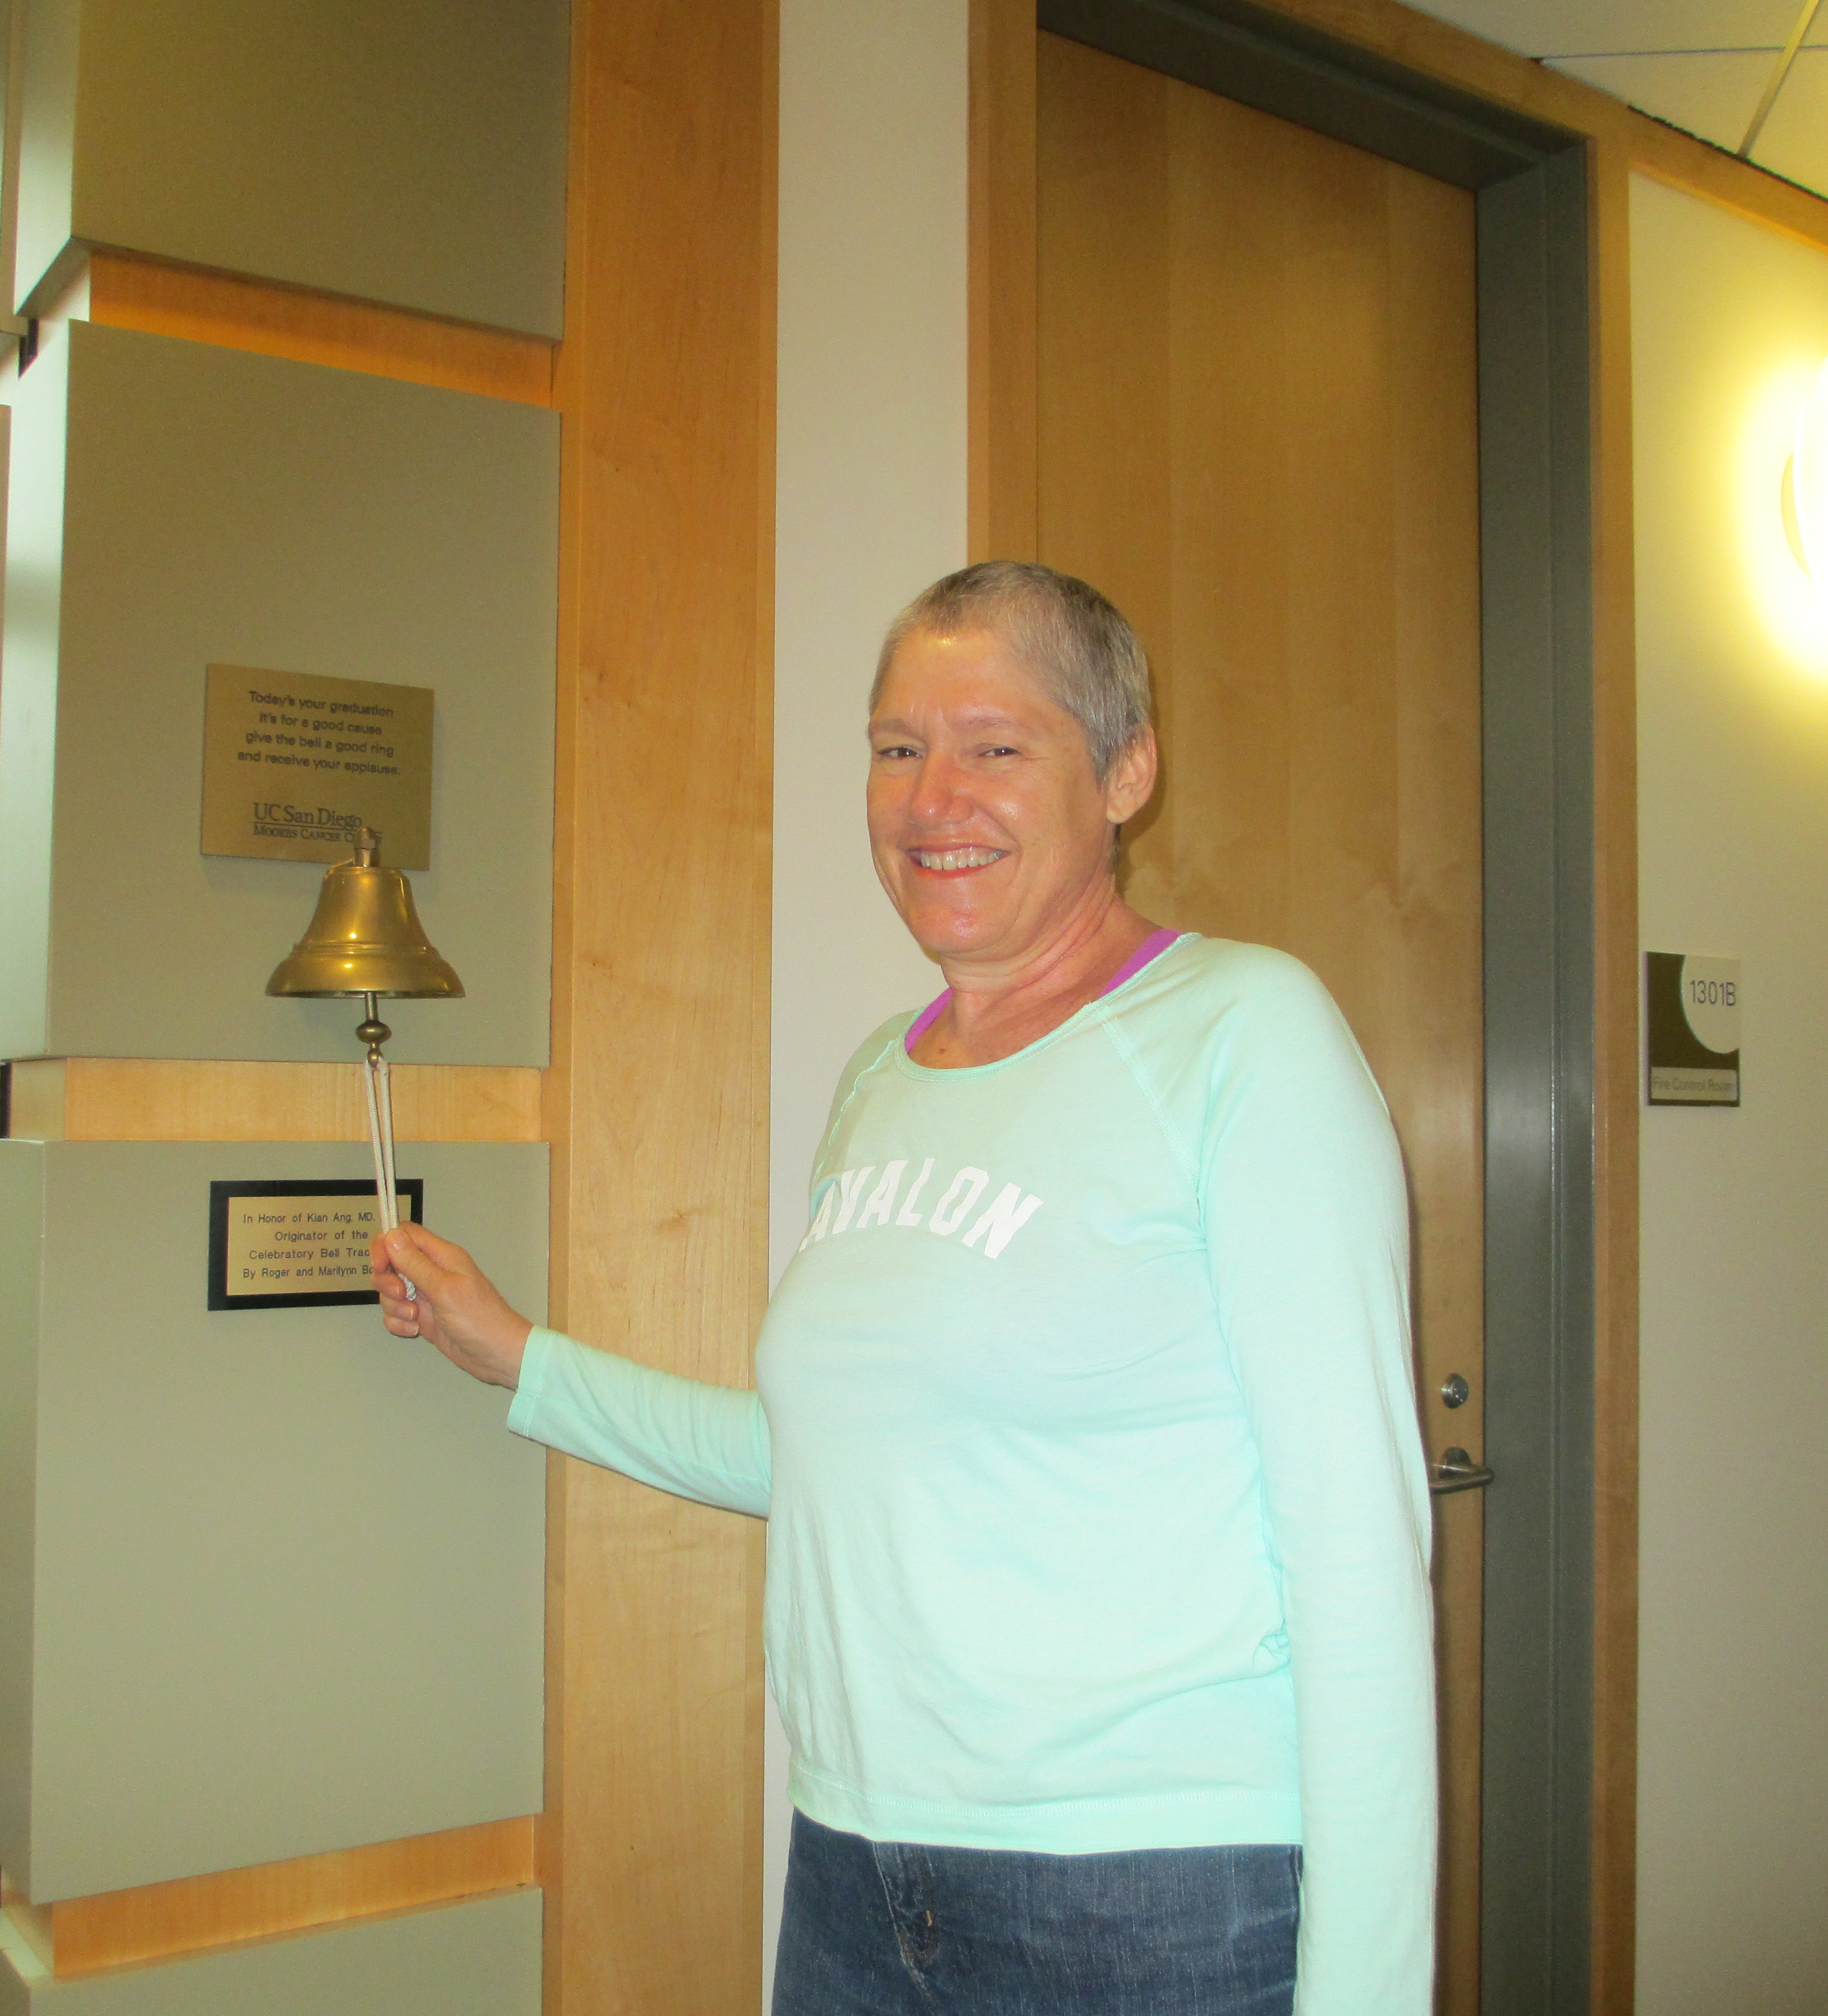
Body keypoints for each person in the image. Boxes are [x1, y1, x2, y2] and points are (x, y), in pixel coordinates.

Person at [372, 561, 1435, 2016]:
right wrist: (523, 1361)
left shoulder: (1246, 1036)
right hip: (859, 1867)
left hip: (1153, 1895)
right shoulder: (884, 1074)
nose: (935, 800)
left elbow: (1361, 1557)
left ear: (1126, 771)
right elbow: (816, 1455)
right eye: (896, 749)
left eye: (997, 748)